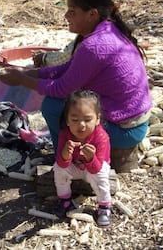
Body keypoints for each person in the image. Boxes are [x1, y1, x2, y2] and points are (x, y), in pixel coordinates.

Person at [0, 0, 152, 173]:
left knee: (53, 107)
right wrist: (27, 73)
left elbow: (62, 89)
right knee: (69, 105)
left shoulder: (95, 46)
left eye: (72, 11)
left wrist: (22, 80)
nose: (66, 16)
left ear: (91, 14)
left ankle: (70, 161)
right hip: (136, 121)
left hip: (125, 130)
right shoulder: (108, 30)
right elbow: (68, 68)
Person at [53, 90, 111, 226]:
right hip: (76, 166)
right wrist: (65, 154)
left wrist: (91, 158)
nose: (81, 125)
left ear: (97, 119)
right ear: (67, 120)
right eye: (75, 120)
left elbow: (96, 168)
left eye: (87, 119)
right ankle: (65, 200)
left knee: (101, 174)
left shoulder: (101, 137)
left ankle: (104, 206)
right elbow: (61, 163)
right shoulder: (65, 135)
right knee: (58, 170)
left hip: (95, 167)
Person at [33, 0, 105, 68]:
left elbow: (66, 60)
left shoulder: (93, 42)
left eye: (72, 11)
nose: (66, 16)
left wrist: (44, 58)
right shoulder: (99, 26)